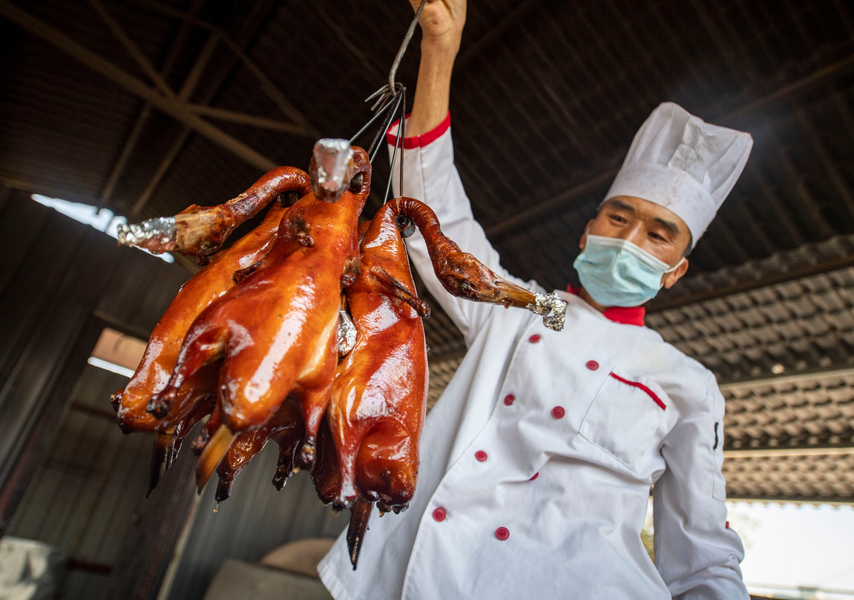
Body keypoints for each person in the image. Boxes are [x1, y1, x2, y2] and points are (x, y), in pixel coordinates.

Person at [318, 1, 754, 598]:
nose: (629, 240)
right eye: (618, 218)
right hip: (416, 575)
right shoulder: (514, 310)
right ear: (587, 234)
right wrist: (439, 49)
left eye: (658, 234)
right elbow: (433, 214)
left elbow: (703, 560)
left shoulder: (689, 384)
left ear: (674, 272)